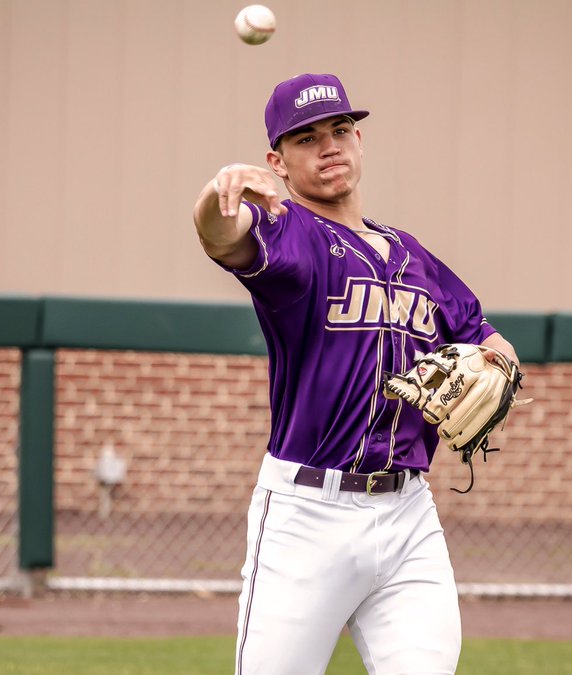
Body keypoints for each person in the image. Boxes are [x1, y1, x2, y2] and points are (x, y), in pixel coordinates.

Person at [192, 73, 520, 675]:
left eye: (341, 130)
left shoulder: (412, 255)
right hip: (308, 515)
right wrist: (222, 195)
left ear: (360, 141)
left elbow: (485, 334)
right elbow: (222, 238)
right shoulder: (290, 232)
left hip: (409, 514)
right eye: (308, 137)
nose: (330, 146)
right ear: (278, 161)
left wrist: (498, 365)